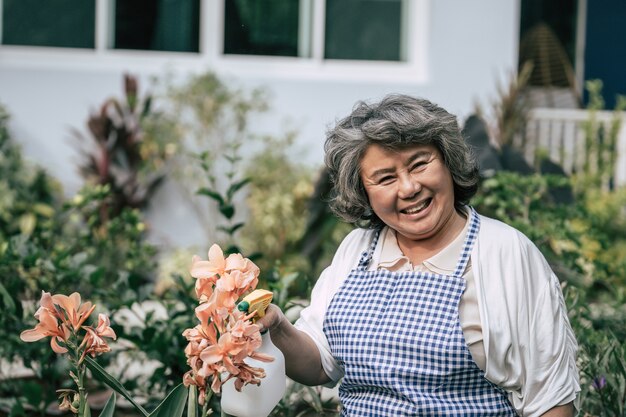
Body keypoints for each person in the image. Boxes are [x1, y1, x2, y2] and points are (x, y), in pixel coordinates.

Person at [256, 94, 580, 416]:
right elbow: (320, 365)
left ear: (448, 161)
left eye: (419, 164)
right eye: (385, 178)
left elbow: (551, 402)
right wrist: (277, 326)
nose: (409, 187)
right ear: (363, 191)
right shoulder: (357, 251)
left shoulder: (505, 253)